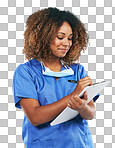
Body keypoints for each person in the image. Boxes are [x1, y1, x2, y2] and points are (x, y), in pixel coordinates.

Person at [12, 7, 99, 148]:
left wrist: (82, 107)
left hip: (79, 144)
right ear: (43, 36)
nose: (67, 43)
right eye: (60, 37)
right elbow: (35, 117)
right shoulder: (26, 72)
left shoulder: (77, 70)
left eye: (70, 38)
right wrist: (74, 95)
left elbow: (90, 113)